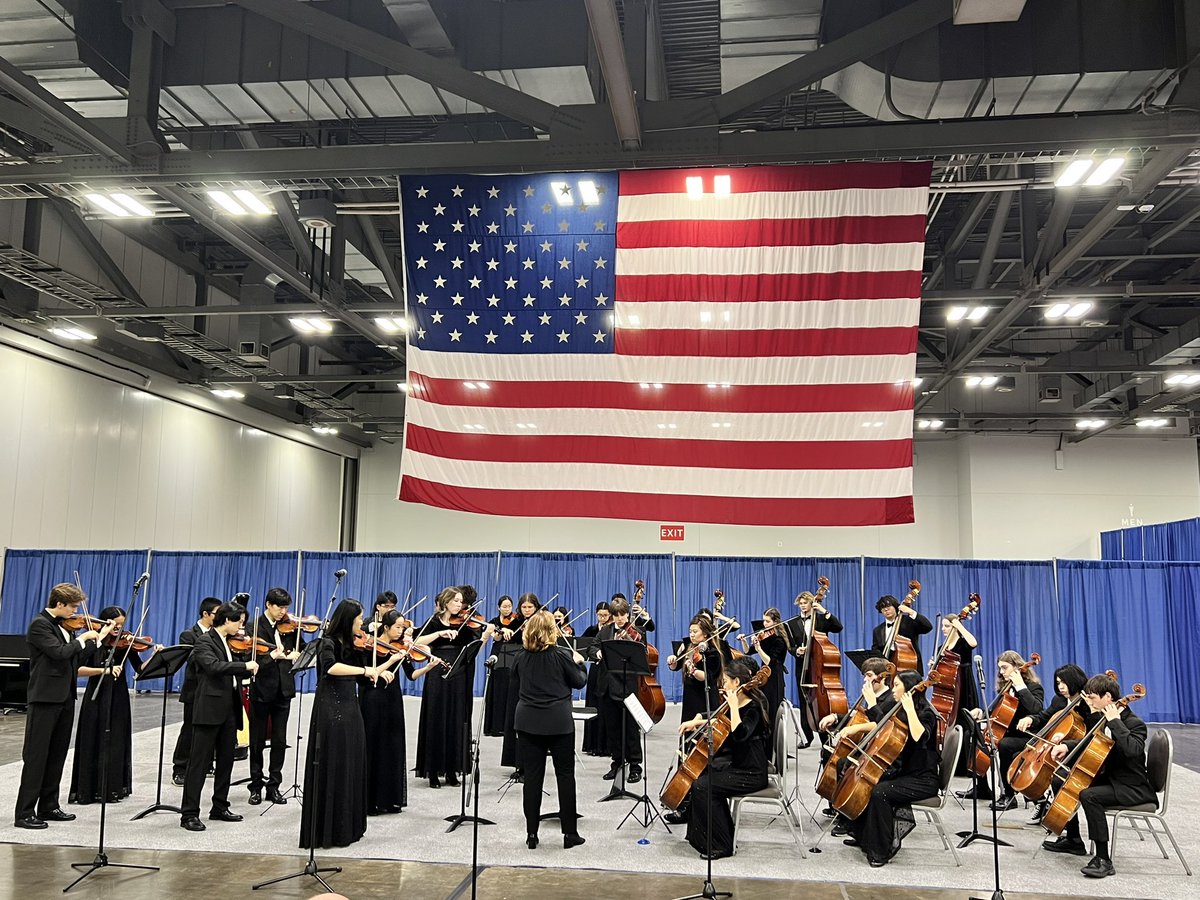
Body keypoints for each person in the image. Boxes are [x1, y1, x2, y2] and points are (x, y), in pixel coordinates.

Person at [14, 583, 114, 829]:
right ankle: (24, 812)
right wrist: (83, 638)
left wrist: (99, 638)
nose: (75, 612)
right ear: (59, 604)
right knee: (37, 756)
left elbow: (74, 658)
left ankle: (48, 806)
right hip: (44, 699)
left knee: (57, 754)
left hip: (65, 698)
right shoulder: (40, 625)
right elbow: (59, 653)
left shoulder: (64, 627)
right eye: (73, 607)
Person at [300, 598, 397, 848]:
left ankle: (347, 826)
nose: (361, 624)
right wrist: (365, 671)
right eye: (358, 619)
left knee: (351, 762)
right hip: (331, 709)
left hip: (351, 708)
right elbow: (330, 668)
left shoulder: (353, 645)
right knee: (333, 761)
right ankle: (328, 829)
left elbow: (365, 677)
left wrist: (386, 665)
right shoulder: (328, 642)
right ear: (347, 620)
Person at [1041, 672, 1156, 878]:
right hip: (1111, 779)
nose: (1090, 703)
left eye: (1093, 698)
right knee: (1062, 778)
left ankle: (1103, 859)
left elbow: (1132, 750)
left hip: (1132, 787)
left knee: (1089, 796)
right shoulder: (1103, 718)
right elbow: (1092, 743)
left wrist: (1115, 722)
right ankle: (1073, 839)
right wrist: (1067, 746)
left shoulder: (1134, 723)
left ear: (1108, 698)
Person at [665, 658, 770, 860]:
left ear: (737, 682)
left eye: (726, 681)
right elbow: (721, 720)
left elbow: (739, 734)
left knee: (704, 786)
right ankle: (700, 838)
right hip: (738, 764)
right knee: (700, 778)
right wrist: (697, 722)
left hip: (751, 772)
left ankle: (722, 845)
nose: (723, 685)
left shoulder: (754, 707)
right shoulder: (737, 703)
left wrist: (733, 706)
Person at [845, 669, 941, 868]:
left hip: (923, 779)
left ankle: (880, 851)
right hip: (906, 773)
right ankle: (865, 838)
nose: (893, 689)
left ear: (909, 689)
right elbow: (883, 727)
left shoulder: (927, 713)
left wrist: (909, 709)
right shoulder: (901, 710)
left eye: (897, 685)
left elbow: (919, 737)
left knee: (881, 792)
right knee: (871, 781)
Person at [510, 610, 588, 850]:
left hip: (528, 721)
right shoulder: (562, 655)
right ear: (551, 631)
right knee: (565, 776)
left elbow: (514, 679)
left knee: (532, 778)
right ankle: (570, 833)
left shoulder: (520, 656)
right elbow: (579, 682)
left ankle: (532, 834)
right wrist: (580, 662)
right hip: (558, 722)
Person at [180, 601, 259, 832]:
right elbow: (213, 667)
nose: (241, 628)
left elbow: (234, 664)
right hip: (208, 709)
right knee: (199, 763)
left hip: (229, 709)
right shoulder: (204, 641)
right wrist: (244, 667)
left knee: (226, 761)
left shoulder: (229, 641)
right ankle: (189, 813)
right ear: (226, 620)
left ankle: (220, 806)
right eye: (238, 623)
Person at [69, 605, 154, 804]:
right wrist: (104, 670)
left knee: (116, 740)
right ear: (104, 623)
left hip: (118, 696)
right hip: (96, 695)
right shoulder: (92, 641)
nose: (118, 629)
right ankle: (89, 790)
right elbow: (77, 669)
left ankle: (112, 789)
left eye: (121, 625)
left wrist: (154, 657)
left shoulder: (126, 642)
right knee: (93, 737)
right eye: (115, 625)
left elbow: (140, 669)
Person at [414, 586, 495, 788]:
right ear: (446, 602)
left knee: (456, 718)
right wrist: (439, 633)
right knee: (436, 717)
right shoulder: (433, 621)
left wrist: (485, 636)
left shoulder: (466, 624)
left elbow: (475, 650)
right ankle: (433, 771)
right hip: (437, 672)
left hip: (459, 673)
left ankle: (452, 770)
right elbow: (417, 640)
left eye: (461, 602)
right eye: (456, 601)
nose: (460, 605)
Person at [958, 650, 1044, 805]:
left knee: (1005, 745)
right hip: (1005, 732)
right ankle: (982, 787)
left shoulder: (1033, 688)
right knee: (971, 734)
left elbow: (1036, 709)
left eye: (1005, 668)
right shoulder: (1005, 688)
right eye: (1000, 668)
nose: (1001, 672)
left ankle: (1008, 795)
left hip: (1025, 736)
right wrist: (982, 712)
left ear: (1017, 667)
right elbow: (996, 713)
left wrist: (1020, 686)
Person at [248, 587, 303, 806]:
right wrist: (274, 656)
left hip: (284, 690)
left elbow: (302, 649)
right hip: (262, 689)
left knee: (280, 741)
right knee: (257, 741)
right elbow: (252, 661)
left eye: (286, 608)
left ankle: (274, 786)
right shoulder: (254, 627)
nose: (283, 612)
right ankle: (255, 786)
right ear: (268, 605)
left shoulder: (290, 627)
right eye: (280, 607)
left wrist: (299, 655)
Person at [1016, 663, 1087, 823]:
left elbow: (1088, 734)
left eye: (1064, 683)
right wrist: (1031, 719)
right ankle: (1041, 802)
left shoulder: (1087, 705)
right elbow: (1044, 716)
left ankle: (1068, 826)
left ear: (1075, 681)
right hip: (1054, 749)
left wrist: (1067, 744)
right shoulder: (1059, 700)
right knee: (1019, 760)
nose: (1060, 687)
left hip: (1075, 751)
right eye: (1058, 683)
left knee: (1058, 777)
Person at [595, 596, 654, 783]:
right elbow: (592, 648)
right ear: (612, 616)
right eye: (616, 616)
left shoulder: (636, 631)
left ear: (628, 615)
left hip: (627, 687)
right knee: (612, 729)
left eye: (623, 615)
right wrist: (597, 652)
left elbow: (642, 653)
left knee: (630, 729)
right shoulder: (605, 631)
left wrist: (630, 638)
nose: (620, 619)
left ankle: (635, 765)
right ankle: (617, 763)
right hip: (608, 686)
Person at [360, 609, 413, 815]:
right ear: (386, 627)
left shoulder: (400, 648)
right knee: (374, 746)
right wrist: (390, 662)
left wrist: (429, 666)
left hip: (393, 699)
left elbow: (412, 674)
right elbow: (366, 676)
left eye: (403, 628)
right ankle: (370, 800)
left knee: (393, 745)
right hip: (373, 699)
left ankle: (391, 799)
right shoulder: (369, 645)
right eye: (398, 627)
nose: (401, 631)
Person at [172, 597, 220, 785]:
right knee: (189, 730)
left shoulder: (220, 634)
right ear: (205, 614)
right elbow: (193, 659)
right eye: (216, 614)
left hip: (214, 689)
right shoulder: (188, 635)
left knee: (210, 730)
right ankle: (180, 768)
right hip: (195, 690)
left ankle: (206, 763)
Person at [788, 591, 843, 745]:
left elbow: (838, 627)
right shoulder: (792, 623)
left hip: (819, 667)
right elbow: (790, 646)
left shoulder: (821, 619)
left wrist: (824, 611)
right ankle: (807, 737)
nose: (802, 606)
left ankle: (825, 737)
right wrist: (796, 651)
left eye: (805, 603)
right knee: (804, 700)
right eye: (800, 603)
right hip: (803, 666)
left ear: (812, 603)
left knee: (820, 701)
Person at [500, 593, 541, 773]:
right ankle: (516, 762)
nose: (526, 610)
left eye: (530, 607)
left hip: (535, 674)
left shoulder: (541, 622)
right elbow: (501, 636)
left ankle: (530, 763)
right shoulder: (515, 622)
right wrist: (504, 631)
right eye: (524, 607)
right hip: (517, 673)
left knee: (531, 718)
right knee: (515, 715)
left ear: (536, 607)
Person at [667, 615, 723, 724]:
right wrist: (672, 661)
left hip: (704, 697)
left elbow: (705, 676)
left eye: (695, 632)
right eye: (690, 631)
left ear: (705, 633)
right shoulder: (689, 648)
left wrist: (692, 669)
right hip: (690, 696)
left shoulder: (713, 653)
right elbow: (676, 666)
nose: (691, 635)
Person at [744, 608, 790, 727]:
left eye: (768, 621)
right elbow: (748, 651)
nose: (764, 624)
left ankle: (772, 735)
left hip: (774, 677)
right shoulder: (764, 637)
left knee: (772, 710)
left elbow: (770, 662)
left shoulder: (779, 640)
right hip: (764, 676)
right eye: (764, 621)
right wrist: (744, 641)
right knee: (762, 707)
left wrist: (759, 648)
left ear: (775, 622)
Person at [870, 595, 933, 674]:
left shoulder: (909, 622)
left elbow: (928, 627)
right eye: (883, 608)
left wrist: (911, 612)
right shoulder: (877, 630)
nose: (886, 609)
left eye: (889, 606)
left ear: (895, 607)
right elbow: (876, 651)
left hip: (910, 668)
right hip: (888, 671)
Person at [580, 601, 611, 756]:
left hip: (608, 671)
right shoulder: (591, 630)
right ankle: (591, 745)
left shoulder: (613, 630)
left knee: (605, 707)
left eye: (605, 615)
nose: (603, 618)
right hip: (595, 669)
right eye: (600, 615)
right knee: (593, 704)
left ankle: (605, 746)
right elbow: (582, 647)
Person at [484, 595, 517, 737]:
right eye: (504, 606)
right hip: (498, 653)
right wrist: (502, 630)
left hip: (513, 653)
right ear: (499, 607)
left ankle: (509, 725)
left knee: (510, 687)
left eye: (509, 606)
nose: (507, 609)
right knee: (498, 688)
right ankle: (496, 726)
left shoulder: (517, 620)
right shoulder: (494, 622)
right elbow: (496, 637)